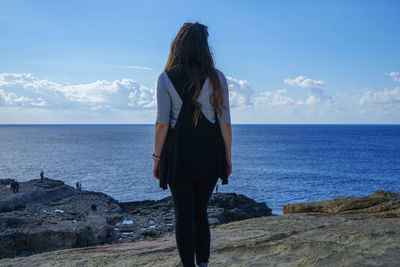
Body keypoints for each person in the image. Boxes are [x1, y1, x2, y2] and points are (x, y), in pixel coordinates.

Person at [152, 22, 232, 267]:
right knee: (200, 212)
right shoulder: (217, 77)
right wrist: (227, 158)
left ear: (178, 45)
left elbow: (162, 124)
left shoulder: (165, 77)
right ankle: (204, 264)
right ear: (205, 47)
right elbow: (225, 123)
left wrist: (157, 158)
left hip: (178, 153)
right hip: (210, 151)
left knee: (183, 214)